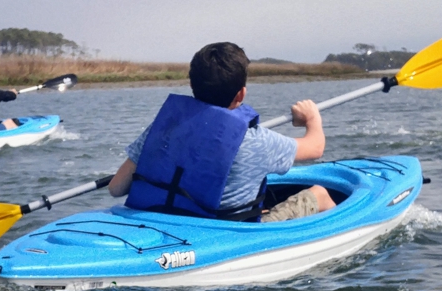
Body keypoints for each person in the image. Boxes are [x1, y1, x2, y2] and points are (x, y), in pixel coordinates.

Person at [109, 42, 336, 222]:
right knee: (320, 193)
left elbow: (116, 188)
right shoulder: (256, 141)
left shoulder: (163, 128)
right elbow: (316, 148)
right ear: (241, 94)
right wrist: (312, 117)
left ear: (192, 85)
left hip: (165, 220)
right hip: (227, 232)